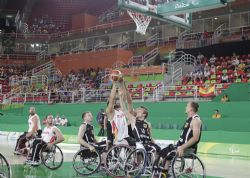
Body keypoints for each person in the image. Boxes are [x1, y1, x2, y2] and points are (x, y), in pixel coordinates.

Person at [156, 101, 202, 177]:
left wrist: (182, 147)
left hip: (186, 148)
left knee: (167, 154)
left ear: (191, 108)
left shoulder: (196, 120)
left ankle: (163, 174)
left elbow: (195, 138)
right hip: (179, 146)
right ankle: (164, 173)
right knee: (162, 152)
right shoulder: (189, 119)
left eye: (187, 106)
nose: (185, 107)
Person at [118, 81, 161, 154]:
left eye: (139, 110)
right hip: (137, 142)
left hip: (147, 143)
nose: (137, 110)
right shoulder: (133, 119)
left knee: (158, 149)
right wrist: (120, 98)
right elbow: (124, 109)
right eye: (137, 109)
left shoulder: (147, 124)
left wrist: (154, 142)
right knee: (150, 150)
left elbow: (150, 136)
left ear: (144, 114)